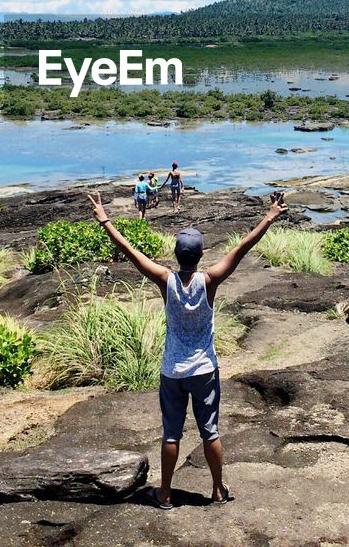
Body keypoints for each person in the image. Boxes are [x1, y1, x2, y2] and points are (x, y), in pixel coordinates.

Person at [87, 189, 289, 509]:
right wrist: (270, 216)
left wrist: (105, 220)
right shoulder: (210, 280)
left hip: (172, 371)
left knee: (171, 434)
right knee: (210, 432)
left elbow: (129, 250)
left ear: (176, 253)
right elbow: (242, 247)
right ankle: (217, 490)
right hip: (205, 369)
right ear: (200, 255)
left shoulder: (164, 279)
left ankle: (164, 493)